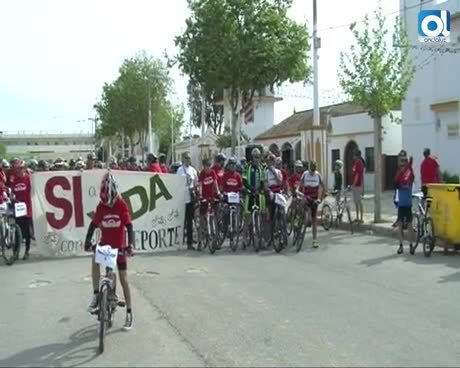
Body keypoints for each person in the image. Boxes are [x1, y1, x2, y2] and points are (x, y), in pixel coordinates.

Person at [84, 172, 134, 331]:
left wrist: (130, 245)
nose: (108, 205)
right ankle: (96, 294)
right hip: (105, 246)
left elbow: (129, 226)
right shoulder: (101, 206)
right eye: (106, 202)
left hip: (119, 247)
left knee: (124, 278)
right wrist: (87, 241)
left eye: (110, 202)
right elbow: (93, 224)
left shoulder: (121, 204)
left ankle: (129, 312)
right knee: (94, 260)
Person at [8, 159, 33, 260]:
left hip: (27, 208)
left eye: (19, 169)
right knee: (17, 231)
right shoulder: (13, 179)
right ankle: (15, 252)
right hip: (17, 208)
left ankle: (27, 251)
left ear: (23, 169)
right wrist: (11, 197)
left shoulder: (28, 178)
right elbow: (11, 191)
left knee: (27, 232)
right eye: (15, 170)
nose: (17, 171)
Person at [298, 161, 324, 249]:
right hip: (306, 196)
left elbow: (321, 187)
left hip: (314, 199)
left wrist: (319, 198)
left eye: (313, 170)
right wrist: (298, 190)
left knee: (314, 221)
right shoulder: (305, 174)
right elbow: (300, 184)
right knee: (303, 201)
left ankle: (315, 240)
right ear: (309, 168)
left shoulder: (318, 175)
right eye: (311, 170)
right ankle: (298, 218)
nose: (312, 172)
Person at [394, 152, 415, 255]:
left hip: (408, 203)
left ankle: (411, 245)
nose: (403, 163)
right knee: (400, 224)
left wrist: (409, 164)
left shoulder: (409, 171)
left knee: (410, 225)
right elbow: (396, 184)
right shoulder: (399, 173)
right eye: (401, 160)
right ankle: (401, 246)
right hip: (401, 203)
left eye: (404, 160)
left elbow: (411, 179)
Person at [197, 158, 220, 250]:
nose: (208, 167)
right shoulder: (202, 174)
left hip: (212, 196)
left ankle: (215, 240)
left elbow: (215, 183)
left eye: (209, 165)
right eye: (206, 165)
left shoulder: (213, 172)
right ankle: (199, 241)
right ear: (203, 166)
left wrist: (218, 192)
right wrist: (200, 194)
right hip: (204, 197)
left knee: (214, 217)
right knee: (202, 219)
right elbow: (200, 185)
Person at [177, 154, 198, 250]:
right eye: (186, 158)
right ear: (183, 159)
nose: (188, 160)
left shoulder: (193, 171)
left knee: (190, 221)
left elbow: (196, 184)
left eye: (189, 158)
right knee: (181, 221)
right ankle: (179, 241)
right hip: (182, 198)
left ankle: (190, 243)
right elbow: (176, 183)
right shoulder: (180, 170)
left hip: (190, 199)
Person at [265, 154, 283, 223]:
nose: (271, 163)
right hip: (270, 190)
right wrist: (269, 191)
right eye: (270, 161)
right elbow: (265, 184)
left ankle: (281, 219)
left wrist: (274, 172)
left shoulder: (278, 171)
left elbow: (280, 182)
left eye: (273, 161)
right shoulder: (266, 172)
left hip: (278, 190)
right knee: (271, 200)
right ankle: (271, 218)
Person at [351, 150, 364, 224]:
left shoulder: (359, 163)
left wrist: (354, 184)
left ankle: (361, 218)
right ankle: (357, 217)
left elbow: (357, 175)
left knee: (359, 201)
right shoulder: (356, 163)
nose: (353, 156)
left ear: (356, 156)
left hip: (358, 185)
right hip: (356, 185)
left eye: (354, 155)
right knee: (356, 202)